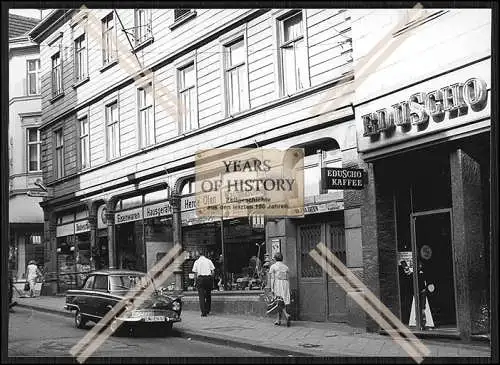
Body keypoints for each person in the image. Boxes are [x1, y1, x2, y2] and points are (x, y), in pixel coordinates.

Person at [269, 252, 291, 326]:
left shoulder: (273, 266)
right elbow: (288, 278)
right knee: (282, 301)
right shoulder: (286, 267)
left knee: (278, 301)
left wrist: (272, 289)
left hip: (278, 284)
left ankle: (286, 315)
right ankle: (278, 320)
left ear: (275, 259)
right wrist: (288, 288)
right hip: (285, 284)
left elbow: (272, 278)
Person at [192, 252, 215, 317]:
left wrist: (195, 281)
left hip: (200, 279)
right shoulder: (209, 261)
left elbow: (195, 273)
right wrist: (211, 278)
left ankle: (203, 312)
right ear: (205, 255)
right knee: (208, 295)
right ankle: (208, 310)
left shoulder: (196, 262)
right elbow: (213, 271)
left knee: (201, 296)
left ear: (198, 255)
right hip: (208, 278)